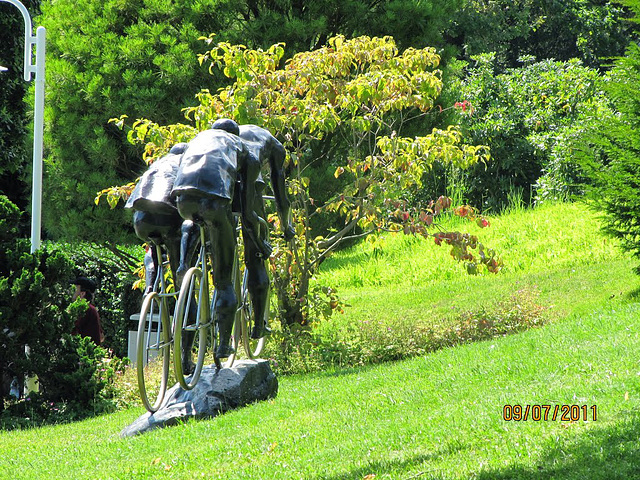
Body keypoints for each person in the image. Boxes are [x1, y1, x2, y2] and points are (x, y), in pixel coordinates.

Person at [171, 121, 267, 359]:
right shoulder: (241, 146)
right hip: (213, 203)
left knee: (194, 219)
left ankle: (185, 261)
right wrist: (257, 235)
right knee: (223, 281)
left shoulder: (196, 140)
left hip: (183, 202)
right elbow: (247, 211)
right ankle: (224, 344)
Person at [125, 143, 199, 294]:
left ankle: (150, 286)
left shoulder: (157, 164)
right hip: (166, 219)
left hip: (141, 222)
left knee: (153, 246)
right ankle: (187, 304)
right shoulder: (185, 163)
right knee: (178, 260)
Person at [71, 276, 104, 345]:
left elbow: (71, 331)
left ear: (82, 293)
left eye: (75, 289)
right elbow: (101, 337)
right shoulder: (91, 309)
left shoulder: (85, 309)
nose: (71, 292)